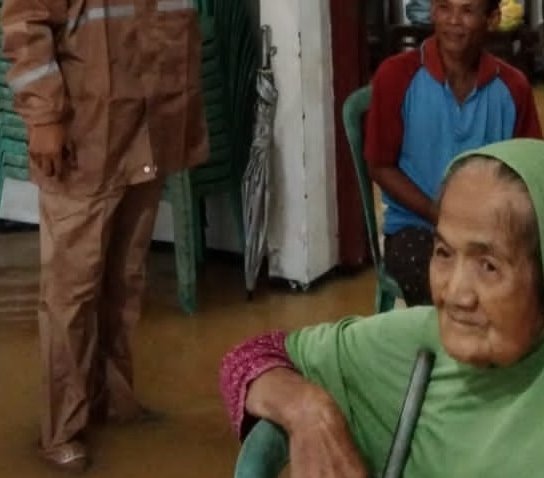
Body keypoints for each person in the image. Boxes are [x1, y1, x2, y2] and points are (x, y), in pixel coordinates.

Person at [1, 0, 208, 473]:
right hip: (83, 139)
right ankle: (60, 424)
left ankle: (113, 397)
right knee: (71, 291)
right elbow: (27, 24)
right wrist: (46, 119)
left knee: (122, 278)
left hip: (144, 135)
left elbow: (159, 35)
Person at [220, 139, 544, 476]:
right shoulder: (420, 341)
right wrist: (306, 410)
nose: (456, 294)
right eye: (444, 254)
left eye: (488, 266)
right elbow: (247, 360)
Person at [365, 0, 541, 306]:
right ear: (432, 11)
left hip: (493, 232)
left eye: (467, 11)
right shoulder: (396, 76)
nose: (452, 22)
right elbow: (380, 165)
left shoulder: (513, 87)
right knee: (455, 290)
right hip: (416, 228)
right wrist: (438, 213)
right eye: (444, 8)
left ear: (491, 18)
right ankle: (458, 361)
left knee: (523, 288)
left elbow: (529, 169)